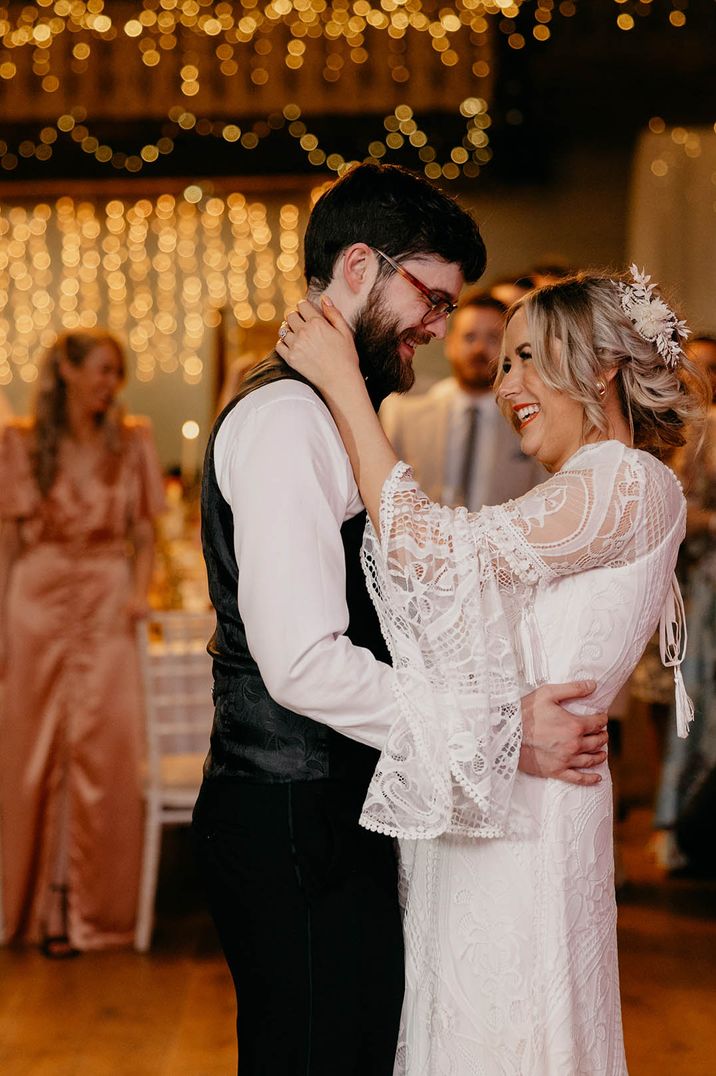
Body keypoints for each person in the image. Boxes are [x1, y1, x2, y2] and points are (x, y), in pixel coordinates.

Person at [191, 162, 609, 1076]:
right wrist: (499, 732)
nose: (438, 324)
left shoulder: (329, 412)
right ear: (357, 267)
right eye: (429, 296)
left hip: (330, 806)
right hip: (290, 812)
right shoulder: (286, 423)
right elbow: (301, 663)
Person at [278, 264, 708, 1073]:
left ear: (605, 369)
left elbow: (431, 552)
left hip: (529, 826)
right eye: (504, 361)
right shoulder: (585, 486)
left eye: (527, 359)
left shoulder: (627, 479)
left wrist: (344, 387)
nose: (507, 384)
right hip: (500, 799)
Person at [0, 330, 165, 955]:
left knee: (104, 748)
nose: (109, 384)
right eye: (100, 370)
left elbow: (147, 534)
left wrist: (138, 594)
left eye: (116, 372)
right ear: (67, 371)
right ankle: (35, 906)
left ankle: (92, 911)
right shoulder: (19, 442)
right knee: (30, 750)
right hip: (35, 597)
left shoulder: (134, 439)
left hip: (105, 592)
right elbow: (7, 544)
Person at [381, 292, 544, 510]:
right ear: (451, 344)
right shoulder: (404, 412)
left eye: (493, 338)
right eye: (469, 337)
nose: (479, 349)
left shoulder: (528, 420)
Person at [653, 335, 716, 871]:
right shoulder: (694, 434)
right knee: (692, 705)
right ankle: (680, 826)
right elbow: (677, 509)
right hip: (702, 589)